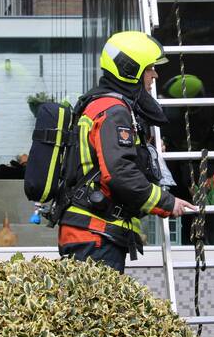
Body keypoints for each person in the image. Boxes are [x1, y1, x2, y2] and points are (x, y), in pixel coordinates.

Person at [57, 31, 197, 272]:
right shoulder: (114, 111)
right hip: (95, 236)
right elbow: (119, 172)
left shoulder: (103, 105)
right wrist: (167, 202)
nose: (155, 74)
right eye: (150, 68)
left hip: (91, 233)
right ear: (130, 70)